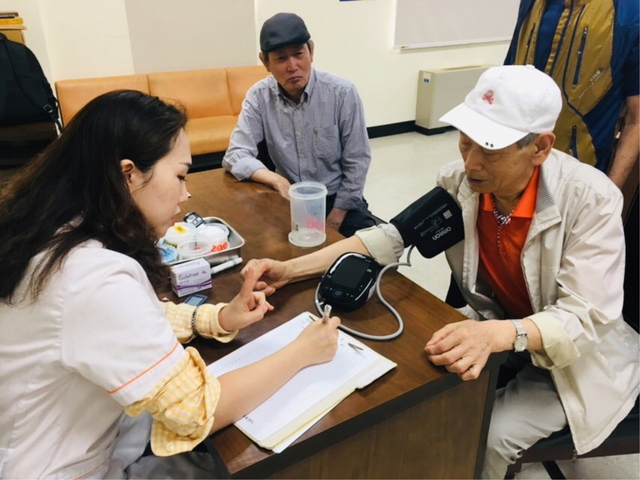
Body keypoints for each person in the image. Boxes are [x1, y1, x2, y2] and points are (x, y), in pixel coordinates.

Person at [241, 66, 639, 478]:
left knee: (490, 434)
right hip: (499, 323)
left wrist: (502, 335)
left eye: (489, 150)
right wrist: (291, 269)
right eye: (465, 143)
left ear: (539, 147)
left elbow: (585, 315)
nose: (471, 162)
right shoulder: (460, 181)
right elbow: (388, 238)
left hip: (576, 358)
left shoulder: (591, 200)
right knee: (408, 380)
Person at [0, 90, 341, 478]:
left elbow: (132, 320)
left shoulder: (52, 233)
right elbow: (196, 411)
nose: (187, 192)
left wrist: (218, 319)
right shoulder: (91, 277)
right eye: (179, 175)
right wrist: (303, 351)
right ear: (128, 174)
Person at [222, 12, 376, 237]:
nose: (293, 66)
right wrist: (276, 179)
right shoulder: (259, 97)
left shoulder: (342, 93)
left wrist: (336, 216)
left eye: (298, 54)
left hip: (337, 200)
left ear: (311, 51)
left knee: (368, 254)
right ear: (265, 62)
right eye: (281, 58)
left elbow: (358, 161)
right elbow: (235, 154)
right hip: (288, 199)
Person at [505, 0, 639, 189]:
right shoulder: (533, 3)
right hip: (513, 166)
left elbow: (636, 119)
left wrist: (609, 194)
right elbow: (507, 80)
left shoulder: (630, 12)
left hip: (577, 178)